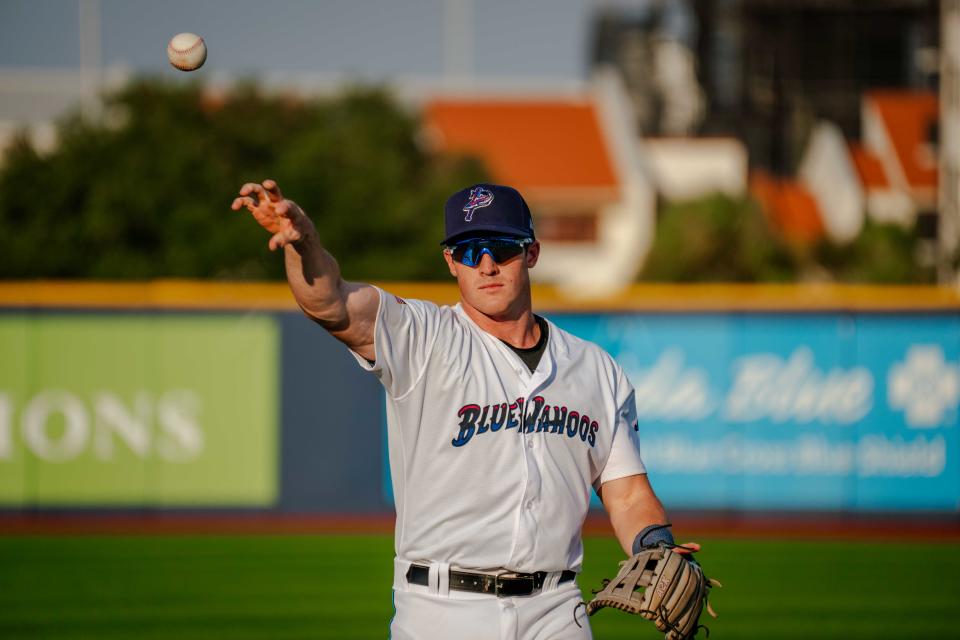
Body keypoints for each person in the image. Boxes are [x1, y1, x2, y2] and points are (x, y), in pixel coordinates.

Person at [231, 180, 694, 640]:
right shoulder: (422, 337)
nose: (487, 264)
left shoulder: (596, 371)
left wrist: (655, 544)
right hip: (442, 608)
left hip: (557, 612)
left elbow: (629, 494)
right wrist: (305, 244)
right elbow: (330, 303)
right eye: (470, 250)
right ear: (451, 261)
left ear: (531, 253)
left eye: (501, 247)